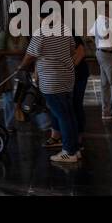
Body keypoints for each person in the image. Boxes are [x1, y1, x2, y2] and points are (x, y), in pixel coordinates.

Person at [19, 22, 80, 166]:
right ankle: (75, 149)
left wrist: (21, 66)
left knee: (63, 116)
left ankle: (68, 152)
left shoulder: (41, 32)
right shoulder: (65, 31)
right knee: (69, 114)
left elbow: (30, 55)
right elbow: (72, 51)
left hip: (51, 81)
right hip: (67, 78)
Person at [70, 35, 89, 139]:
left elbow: (81, 53)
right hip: (71, 74)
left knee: (76, 103)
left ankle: (79, 135)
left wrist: (69, 68)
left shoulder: (71, 34)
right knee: (72, 104)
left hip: (79, 74)